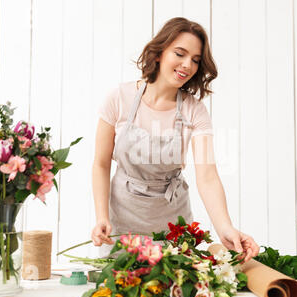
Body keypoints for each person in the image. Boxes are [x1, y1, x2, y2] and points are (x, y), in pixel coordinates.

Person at [91, 17, 259, 262]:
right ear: (159, 53)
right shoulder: (119, 98)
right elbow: (101, 163)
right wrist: (101, 217)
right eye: (180, 54)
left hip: (173, 229)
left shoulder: (195, 111)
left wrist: (225, 228)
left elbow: (207, 176)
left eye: (195, 60)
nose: (187, 65)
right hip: (122, 224)